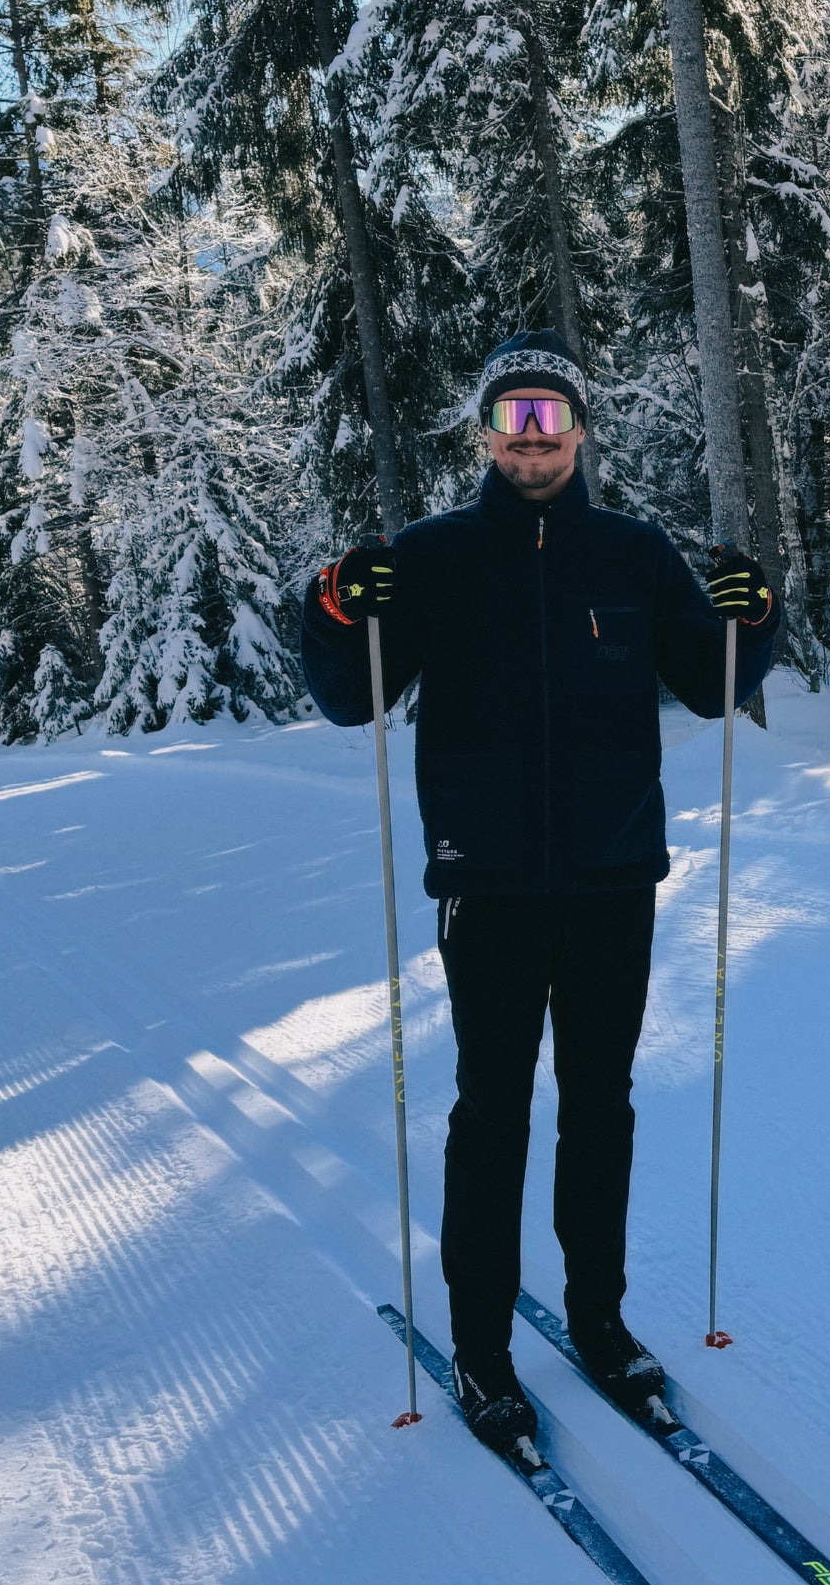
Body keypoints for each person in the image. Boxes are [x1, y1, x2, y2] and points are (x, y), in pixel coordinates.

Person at [299, 330, 780, 1453]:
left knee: (601, 1107)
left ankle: (599, 1323)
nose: (531, 439)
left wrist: (751, 617)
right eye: (511, 417)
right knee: (493, 1113)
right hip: (491, 886)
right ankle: (481, 1347)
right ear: (483, 433)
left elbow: (711, 686)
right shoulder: (431, 555)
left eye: (549, 416)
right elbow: (350, 696)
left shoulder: (631, 552)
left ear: (579, 429)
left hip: (614, 881)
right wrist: (335, 607)